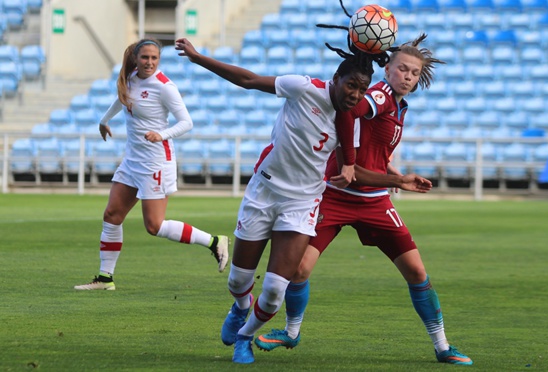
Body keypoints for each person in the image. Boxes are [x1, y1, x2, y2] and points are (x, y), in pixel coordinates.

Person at [255, 34, 474, 366]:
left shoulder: (399, 105)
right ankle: (291, 331)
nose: (408, 77)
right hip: (335, 195)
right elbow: (350, 109)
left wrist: (389, 170)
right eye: (403, 69)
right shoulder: (380, 95)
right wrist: (391, 177)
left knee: (416, 271)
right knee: (299, 269)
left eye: (414, 73)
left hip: (374, 201)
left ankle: (443, 346)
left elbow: (371, 148)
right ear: (387, 68)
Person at [174, 33, 389, 364]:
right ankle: (241, 307)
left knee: (275, 290)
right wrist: (198, 57)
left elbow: (357, 136)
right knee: (238, 281)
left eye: (361, 90)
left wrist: (352, 165)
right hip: (264, 191)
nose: (355, 95)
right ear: (336, 79)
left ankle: (246, 337)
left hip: (301, 203)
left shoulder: (353, 112)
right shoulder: (303, 88)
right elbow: (248, 80)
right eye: (351, 86)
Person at [74, 38, 229, 291]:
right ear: (136, 58)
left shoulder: (165, 87)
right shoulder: (132, 77)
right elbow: (123, 99)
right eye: (145, 57)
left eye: (154, 58)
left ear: (159, 60)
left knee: (154, 226)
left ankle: (214, 241)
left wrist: (162, 134)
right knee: (112, 215)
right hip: (132, 160)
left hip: (156, 162)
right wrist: (104, 120)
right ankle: (105, 279)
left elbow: (186, 122)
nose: (149, 62)